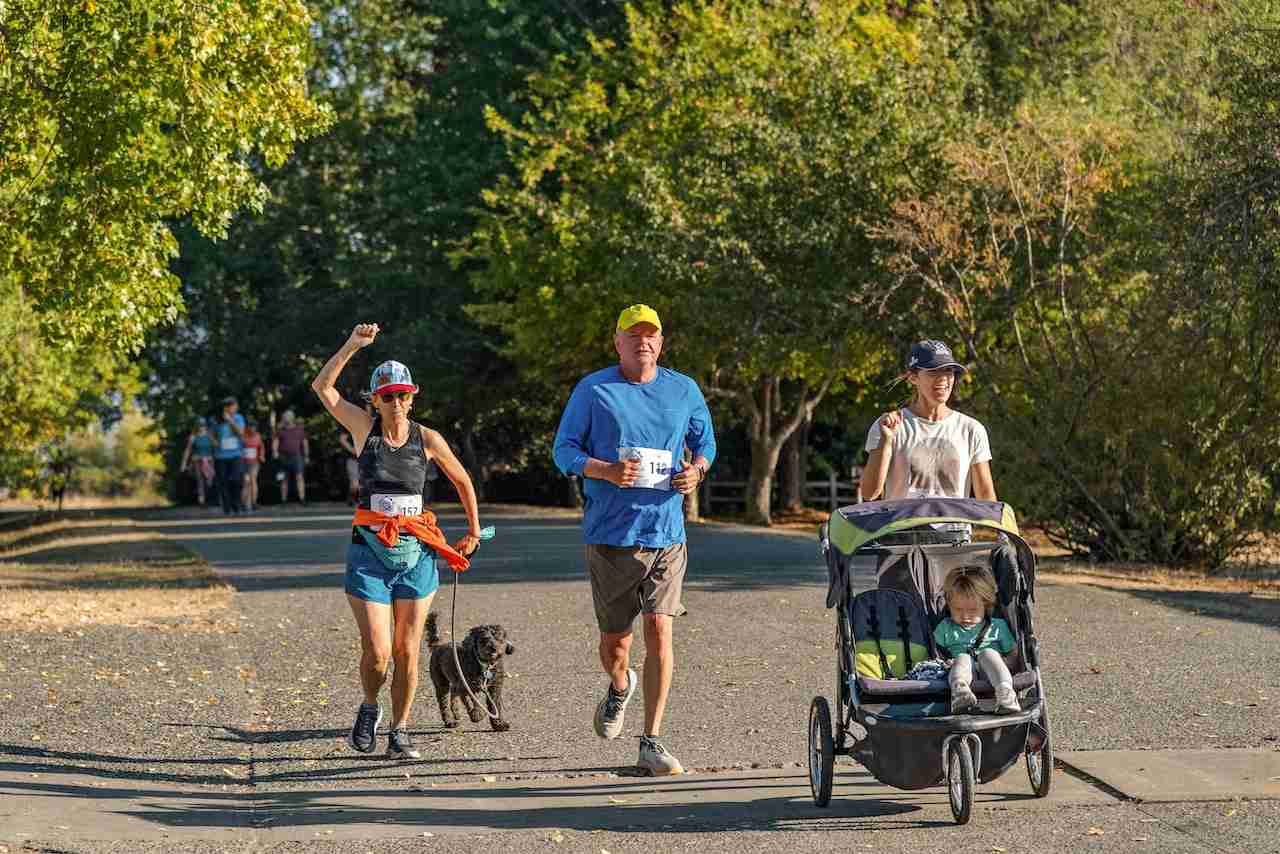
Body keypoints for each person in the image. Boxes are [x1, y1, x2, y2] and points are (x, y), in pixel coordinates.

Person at [552, 304, 716, 776]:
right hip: (610, 535)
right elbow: (563, 450)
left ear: (661, 342)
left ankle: (652, 740)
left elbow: (706, 444)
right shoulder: (594, 390)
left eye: (652, 335)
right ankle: (619, 685)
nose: (643, 342)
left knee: (660, 629)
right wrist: (604, 470)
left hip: (666, 532)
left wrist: (696, 471)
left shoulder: (683, 389)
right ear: (617, 341)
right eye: (634, 335)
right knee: (616, 645)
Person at [311, 323, 485, 761]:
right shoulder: (361, 427)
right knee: (379, 653)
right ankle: (369, 708)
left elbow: (463, 481)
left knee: (409, 651)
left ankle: (400, 729)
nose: (396, 403)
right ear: (376, 399)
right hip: (369, 551)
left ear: (413, 396)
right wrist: (353, 344)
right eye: (388, 396)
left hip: (417, 554)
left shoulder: (427, 438)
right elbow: (323, 387)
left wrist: (473, 531)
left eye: (403, 395)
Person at [859, 340, 995, 504]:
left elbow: (986, 498)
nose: (943, 378)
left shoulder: (971, 429)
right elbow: (869, 493)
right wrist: (886, 442)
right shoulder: (889, 426)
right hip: (903, 528)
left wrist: (999, 527)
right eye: (933, 371)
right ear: (913, 377)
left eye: (948, 371)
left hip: (954, 530)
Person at [934, 566, 1019, 715]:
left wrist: (1003, 663)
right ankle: (960, 693)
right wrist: (945, 662)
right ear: (949, 605)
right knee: (962, 657)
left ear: (986, 605)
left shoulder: (997, 627)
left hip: (993, 673)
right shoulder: (945, 628)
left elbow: (1014, 655)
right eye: (958, 610)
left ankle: (1006, 693)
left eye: (972, 610)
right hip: (961, 672)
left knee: (988, 654)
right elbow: (934, 655)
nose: (965, 616)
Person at [212, 397, 246, 515]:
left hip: (235, 454)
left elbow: (240, 433)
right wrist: (214, 441)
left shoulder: (239, 418)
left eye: (236, 406)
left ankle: (236, 505)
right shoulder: (216, 419)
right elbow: (211, 432)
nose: (236, 408)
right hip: (221, 456)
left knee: (237, 480)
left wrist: (230, 420)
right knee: (223, 482)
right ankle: (227, 508)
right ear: (226, 407)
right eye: (233, 406)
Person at [273, 410, 310, 505]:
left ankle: (302, 499)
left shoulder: (299, 429)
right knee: (283, 479)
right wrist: (275, 452)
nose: (286, 419)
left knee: (299, 477)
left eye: (288, 417)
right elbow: (275, 442)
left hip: (297, 456)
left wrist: (306, 455)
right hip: (283, 457)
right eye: (285, 417)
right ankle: (283, 500)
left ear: (292, 418)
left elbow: (305, 443)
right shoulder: (280, 430)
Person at [179, 419, 216, 507]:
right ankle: (202, 501)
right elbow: (188, 450)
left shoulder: (209, 435)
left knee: (209, 481)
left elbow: (216, 446)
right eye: (199, 425)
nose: (201, 427)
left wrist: (211, 437)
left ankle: (208, 498)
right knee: (200, 481)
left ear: (205, 426)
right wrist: (184, 463)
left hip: (209, 460)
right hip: (197, 460)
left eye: (203, 425)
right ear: (196, 426)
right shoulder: (193, 436)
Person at [241, 419, 265, 512]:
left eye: (254, 427)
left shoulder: (258, 436)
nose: (252, 429)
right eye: (251, 427)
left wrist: (262, 455)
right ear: (248, 427)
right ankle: (243, 503)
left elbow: (261, 447)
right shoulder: (243, 435)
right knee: (246, 483)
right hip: (244, 463)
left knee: (253, 481)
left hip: (254, 463)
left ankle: (254, 502)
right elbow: (239, 448)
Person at [339, 429, 361, 506]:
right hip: (353, 459)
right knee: (355, 484)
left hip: (366, 457)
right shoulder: (351, 424)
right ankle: (352, 499)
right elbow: (342, 439)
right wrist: (352, 450)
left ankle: (353, 499)